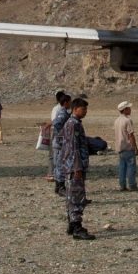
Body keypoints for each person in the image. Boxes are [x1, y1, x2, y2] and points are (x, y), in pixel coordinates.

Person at [60, 98, 94, 240]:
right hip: (74, 168)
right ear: (75, 109)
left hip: (71, 166)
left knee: (71, 196)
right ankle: (77, 227)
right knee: (77, 197)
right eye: (83, 109)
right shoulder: (73, 125)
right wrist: (77, 167)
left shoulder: (73, 123)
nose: (85, 112)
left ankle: (72, 224)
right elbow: (73, 148)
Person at [50, 91, 72, 196]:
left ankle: (58, 186)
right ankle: (60, 186)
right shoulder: (62, 113)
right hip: (60, 143)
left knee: (59, 164)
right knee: (60, 165)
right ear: (66, 102)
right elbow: (57, 124)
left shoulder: (64, 112)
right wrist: (62, 135)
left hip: (59, 142)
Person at [114, 101, 138, 191]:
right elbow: (131, 135)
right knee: (131, 167)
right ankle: (132, 185)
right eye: (128, 108)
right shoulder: (128, 120)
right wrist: (135, 148)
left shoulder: (117, 120)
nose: (130, 109)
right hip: (128, 147)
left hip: (120, 147)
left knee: (122, 167)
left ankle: (122, 185)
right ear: (125, 110)